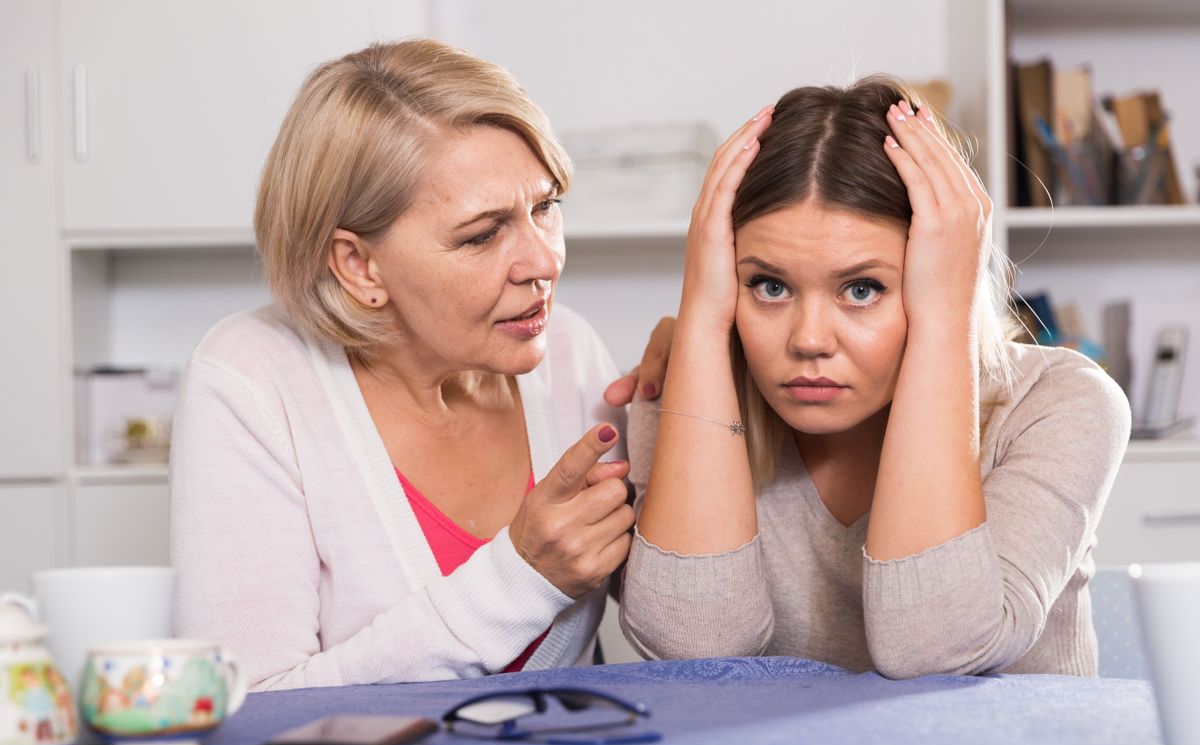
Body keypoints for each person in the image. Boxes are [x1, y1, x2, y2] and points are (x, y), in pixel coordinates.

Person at [618, 77, 1131, 679]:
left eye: (862, 289)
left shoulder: (1060, 402)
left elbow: (934, 651)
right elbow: (696, 650)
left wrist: (945, 322)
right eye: (770, 286)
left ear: (940, 273)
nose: (809, 339)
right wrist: (702, 322)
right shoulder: (683, 393)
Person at [170, 39, 639, 690]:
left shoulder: (570, 350)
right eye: (481, 234)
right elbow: (250, 705)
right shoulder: (253, 379)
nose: (543, 263)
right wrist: (520, 578)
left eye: (545, 208)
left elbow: (685, 623)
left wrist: (702, 378)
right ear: (359, 265)